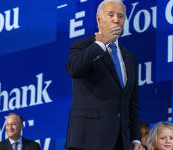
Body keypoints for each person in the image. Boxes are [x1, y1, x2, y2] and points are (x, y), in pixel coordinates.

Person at [65, 0, 142, 149]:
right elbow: (73, 69)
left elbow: (132, 102)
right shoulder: (82, 46)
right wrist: (100, 44)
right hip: (88, 140)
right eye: (111, 14)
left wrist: (135, 138)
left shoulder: (130, 57)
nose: (116, 19)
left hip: (121, 142)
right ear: (99, 19)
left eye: (121, 16)